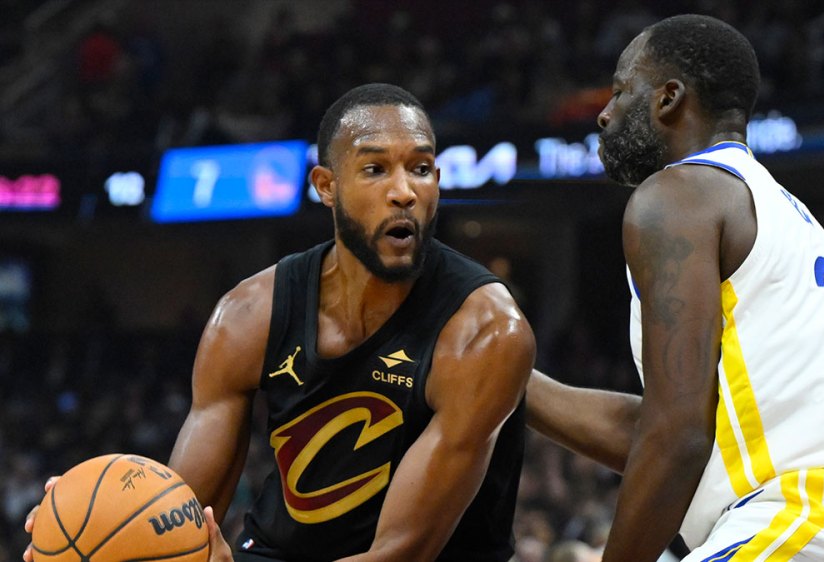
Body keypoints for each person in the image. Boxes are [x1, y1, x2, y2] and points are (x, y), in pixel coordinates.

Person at [25, 83, 535, 562]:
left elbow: (400, 553)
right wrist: (88, 525)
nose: (404, 191)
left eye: (420, 169)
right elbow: (182, 515)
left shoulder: (485, 331)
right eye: (375, 169)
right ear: (326, 186)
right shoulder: (249, 314)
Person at [525, 14, 824, 561]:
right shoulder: (775, 205)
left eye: (621, 91)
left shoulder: (678, 196)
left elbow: (677, 437)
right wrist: (512, 381)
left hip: (810, 514)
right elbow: (667, 430)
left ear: (668, 98)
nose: (604, 113)